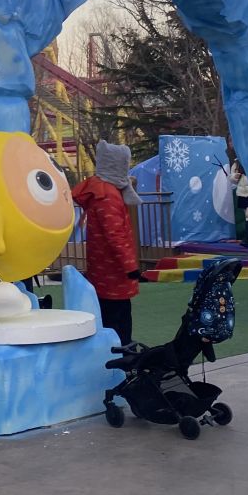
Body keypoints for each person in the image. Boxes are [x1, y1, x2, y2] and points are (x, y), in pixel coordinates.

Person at [72, 140, 140, 344]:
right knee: (118, 317)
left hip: (103, 267)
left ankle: (117, 351)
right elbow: (115, 234)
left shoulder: (100, 190)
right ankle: (120, 354)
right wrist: (130, 266)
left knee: (110, 312)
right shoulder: (107, 195)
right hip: (113, 270)